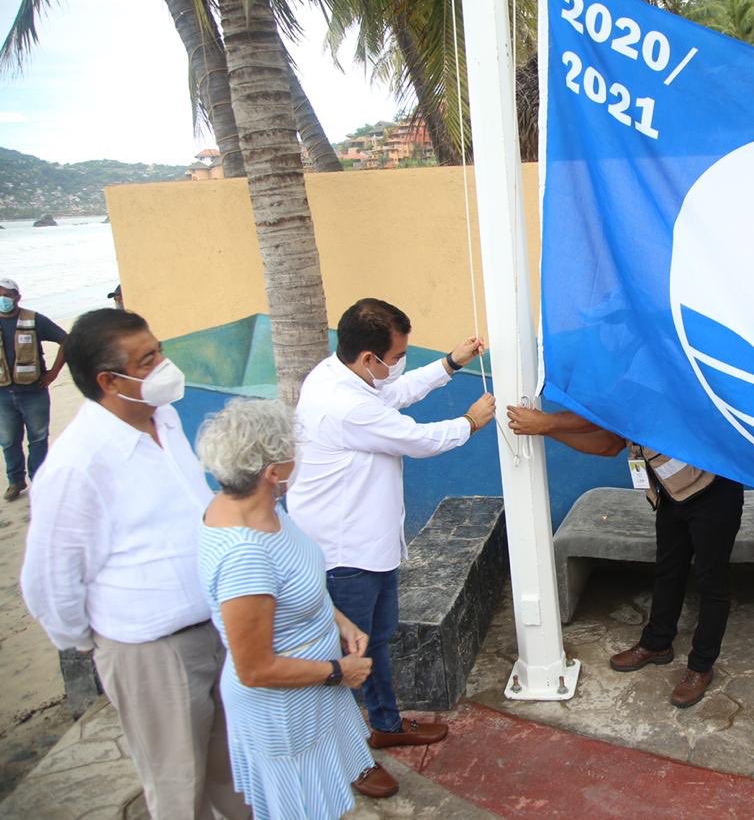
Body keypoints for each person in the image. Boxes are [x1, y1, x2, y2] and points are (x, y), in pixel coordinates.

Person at [20, 309, 249, 820]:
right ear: (109, 381)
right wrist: (100, 642)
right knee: (177, 784)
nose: (164, 364)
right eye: (148, 360)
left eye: (159, 349)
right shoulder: (78, 464)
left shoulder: (163, 419)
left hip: (216, 629)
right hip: (151, 653)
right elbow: (49, 583)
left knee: (236, 774)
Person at [288, 298, 495, 766]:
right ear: (368, 358)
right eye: (397, 356)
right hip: (344, 555)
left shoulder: (342, 374)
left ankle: (384, 725)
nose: (399, 364)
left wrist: (449, 364)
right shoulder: (342, 404)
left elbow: (393, 392)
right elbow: (415, 438)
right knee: (347, 657)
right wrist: (470, 422)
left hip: (369, 544)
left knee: (376, 642)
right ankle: (347, 760)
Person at [196, 398, 397, 813]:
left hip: (311, 698)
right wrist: (340, 671)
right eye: (292, 450)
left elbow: (294, 581)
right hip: (285, 714)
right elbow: (254, 668)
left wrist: (340, 621)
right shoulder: (244, 555)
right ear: (272, 473)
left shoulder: (261, 508)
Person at [507, 405, 743, 708]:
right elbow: (608, 444)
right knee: (668, 571)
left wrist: (547, 421)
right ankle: (657, 643)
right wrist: (549, 429)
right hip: (673, 495)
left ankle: (700, 667)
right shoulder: (630, 388)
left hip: (714, 491)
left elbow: (601, 413)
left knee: (712, 583)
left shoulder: (658, 378)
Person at [0, 277, 67, 501]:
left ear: (17, 297)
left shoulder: (34, 319)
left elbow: (66, 340)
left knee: (38, 438)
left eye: (6, 295)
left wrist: (54, 373)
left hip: (33, 391)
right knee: (8, 440)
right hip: (2, 394)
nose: (2, 299)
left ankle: (39, 480)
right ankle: (15, 481)